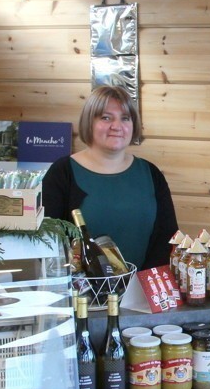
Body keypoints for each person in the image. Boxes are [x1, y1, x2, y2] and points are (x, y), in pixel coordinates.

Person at [43, 85, 178, 270]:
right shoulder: (62, 173)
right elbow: (48, 242)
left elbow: (166, 239)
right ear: (89, 122)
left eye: (125, 118)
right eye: (106, 118)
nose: (117, 126)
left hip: (142, 286)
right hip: (81, 287)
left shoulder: (150, 173)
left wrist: (140, 284)